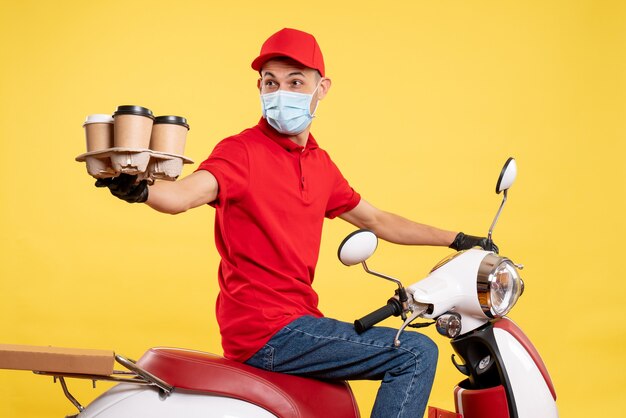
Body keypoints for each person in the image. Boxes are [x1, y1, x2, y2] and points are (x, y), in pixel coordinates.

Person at [96, 28, 496, 418]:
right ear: (259, 88)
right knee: (415, 352)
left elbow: (377, 220)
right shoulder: (242, 152)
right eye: (271, 83)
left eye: (295, 81)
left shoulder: (319, 165)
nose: (280, 93)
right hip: (265, 330)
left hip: (300, 322)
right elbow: (184, 194)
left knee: (403, 353)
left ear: (322, 89)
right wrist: (141, 190)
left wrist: (458, 239)